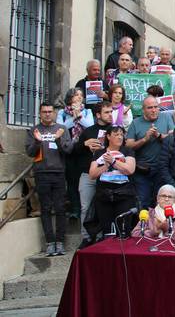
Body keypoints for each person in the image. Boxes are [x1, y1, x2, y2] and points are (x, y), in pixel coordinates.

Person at [25, 102, 72, 256]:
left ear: (54, 113)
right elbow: (30, 152)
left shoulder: (62, 129)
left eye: (50, 111)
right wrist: (38, 141)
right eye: (44, 111)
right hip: (41, 173)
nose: (47, 114)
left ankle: (60, 242)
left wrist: (58, 139)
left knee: (60, 208)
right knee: (45, 208)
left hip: (58, 173)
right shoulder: (34, 130)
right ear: (40, 113)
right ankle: (49, 242)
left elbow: (68, 149)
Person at [73, 102, 113, 248]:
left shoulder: (115, 131)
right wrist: (85, 144)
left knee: (105, 206)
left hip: (107, 173)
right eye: (107, 112)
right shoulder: (88, 131)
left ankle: (103, 235)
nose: (110, 115)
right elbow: (74, 150)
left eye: (111, 112)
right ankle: (86, 237)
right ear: (98, 115)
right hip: (87, 175)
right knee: (85, 207)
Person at [125, 96, 175, 208]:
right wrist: (144, 139)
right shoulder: (135, 123)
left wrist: (159, 136)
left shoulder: (166, 117)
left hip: (162, 169)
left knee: (161, 203)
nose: (154, 110)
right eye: (150, 108)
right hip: (142, 171)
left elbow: (174, 138)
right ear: (143, 110)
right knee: (143, 202)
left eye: (156, 107)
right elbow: (128, 146)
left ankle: (160, 225)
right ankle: (144, 225)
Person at [88, 126, 137, 237]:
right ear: (108, 136)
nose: (120, 137)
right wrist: (105, 166)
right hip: (104, 195)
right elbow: (92, 174)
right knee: (107, 230)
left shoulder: (128, 151)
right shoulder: (99, 153)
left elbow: (130, 170)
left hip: (124, 195)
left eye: (121, 134)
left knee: (124, 228)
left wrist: (113, 161)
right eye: (116, 134)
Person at [57, 88, 95, 220]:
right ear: (69, 98)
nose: (79, 97)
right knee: (71, 181)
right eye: (76, 95)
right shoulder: (62, 112)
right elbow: (60, 128)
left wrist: (79, 116)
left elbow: (89, 125)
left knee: (82, 180)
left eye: (81, 95)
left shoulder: (88, 111)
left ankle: (86, 210)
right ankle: (75, 209)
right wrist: (73, 117)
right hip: (69, 150)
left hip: (84, 149)